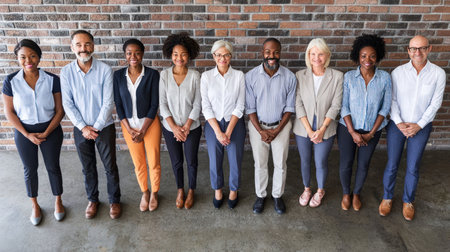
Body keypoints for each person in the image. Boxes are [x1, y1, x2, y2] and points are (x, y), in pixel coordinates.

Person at [379, 35, 445, 221]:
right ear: (408, 50)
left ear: (429, 49)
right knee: (392, 164)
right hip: (397, 125)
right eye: (414, 49)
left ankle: (408, 201)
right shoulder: (398, 72)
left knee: (413, 166)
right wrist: (399, 123)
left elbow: (435, 103)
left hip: (421, 126)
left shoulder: (438, 73)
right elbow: (391, 100)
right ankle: (387, 197)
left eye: (422, 48)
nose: (418, 52)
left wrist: (419, 125)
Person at [2, 39, 65, 225]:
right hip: (24, 132)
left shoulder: (53, 79)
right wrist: (27, 134)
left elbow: (60, 111)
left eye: (32, 56)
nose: (28, 60)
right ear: (17, 59)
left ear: (38, 57)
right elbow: (9, 112)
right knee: (30, 169)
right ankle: (35, 204)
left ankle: (58, 201)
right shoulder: (11, 81)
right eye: (22, 57)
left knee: (53, 166)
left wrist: (46, 133)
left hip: (50, 129)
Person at [61, 30, 121, 219]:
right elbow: (67, 103)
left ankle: (114, 201)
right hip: (81, 128)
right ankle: (93, 200)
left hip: (104, 126)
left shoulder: (104, 70)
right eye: (78, 45)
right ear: (72, 47)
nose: (83, 48)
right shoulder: (66, 72)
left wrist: (96, 126)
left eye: (87, 44)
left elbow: (108, 102)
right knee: (87, 167)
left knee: (110, 166)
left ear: (93, 46)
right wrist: (83, 127)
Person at [338, 34, 391, 211]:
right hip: (347, 128)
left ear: (378, 57)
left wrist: (370, 133)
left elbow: (385, 108)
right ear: (357, 56)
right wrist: (353, 132)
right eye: (363, 56)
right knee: (346, 162)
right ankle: (346, 193)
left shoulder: (385, 78)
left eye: (372, 56)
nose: (367, 60)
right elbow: (344, 106)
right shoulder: (349, 77)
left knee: (364, 163)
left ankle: (357, 193)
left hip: (372, 130)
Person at [246, 38, 297, 214]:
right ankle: (260, 195)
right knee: (260, 163)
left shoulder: (289, 77)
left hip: (281, 127)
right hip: (257, 127)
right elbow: (250, 108)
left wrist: (276, 130)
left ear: (280, 53)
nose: (272, 56)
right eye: (268, 52)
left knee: (280, 164)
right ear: (262, 53)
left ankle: (277, 195)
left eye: (275, 52)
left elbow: (290, 108)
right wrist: (261, 131)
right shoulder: (251, 76)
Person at [293, 38, 343, 208]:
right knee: (305, 160)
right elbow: (297, 103)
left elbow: (336, 105)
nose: (316, 58)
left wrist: (321, 129)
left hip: (326, 129)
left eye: (320, 54)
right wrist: (308, 129)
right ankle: (307, 189)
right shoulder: (300, 75)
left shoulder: (337, 76)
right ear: (308, 55)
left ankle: (320, 190)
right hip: (303, 127)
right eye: (313, 54)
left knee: (320, 161)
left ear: (327, 55)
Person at [113, 39, 161, 212]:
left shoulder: (152, 75)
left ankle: (155, 192)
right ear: (125, 55)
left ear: (142, 54)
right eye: (129, 53)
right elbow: (118, 105)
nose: (133, 56)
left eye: (137, 53)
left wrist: (143, 130)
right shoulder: (118, 76)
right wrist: (129, 129)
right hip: (129, 128)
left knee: (154, 161)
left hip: (149, 125)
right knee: (138, 162)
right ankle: (145, 192)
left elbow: (155, 105)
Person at [201, 40, 246, 209]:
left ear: (231, 56)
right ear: (213, 56)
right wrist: (219, 132)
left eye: (226, 54)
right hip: (213, 124)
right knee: (215, 159)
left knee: (235, 159)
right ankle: (218, 189)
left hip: (234, 122)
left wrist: (228, 130)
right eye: (219, 55)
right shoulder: (206, 77)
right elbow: (206, 106)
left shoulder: (239, 76)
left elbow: (240, 105)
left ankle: (234, 189)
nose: (222, 58)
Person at [160, 33, 201, 209]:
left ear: (189, 55)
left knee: (191, 161)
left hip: (192, 127)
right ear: (170, 55)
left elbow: (198, 104)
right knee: (176, 161)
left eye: (183, 54)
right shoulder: (164, 75)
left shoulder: (195, 76)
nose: (179, 58)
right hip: (170, 129)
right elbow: (162, 104)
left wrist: (185, 127)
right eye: (175, 54)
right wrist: (174, 128)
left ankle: (191, 190)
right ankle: (180, 189)